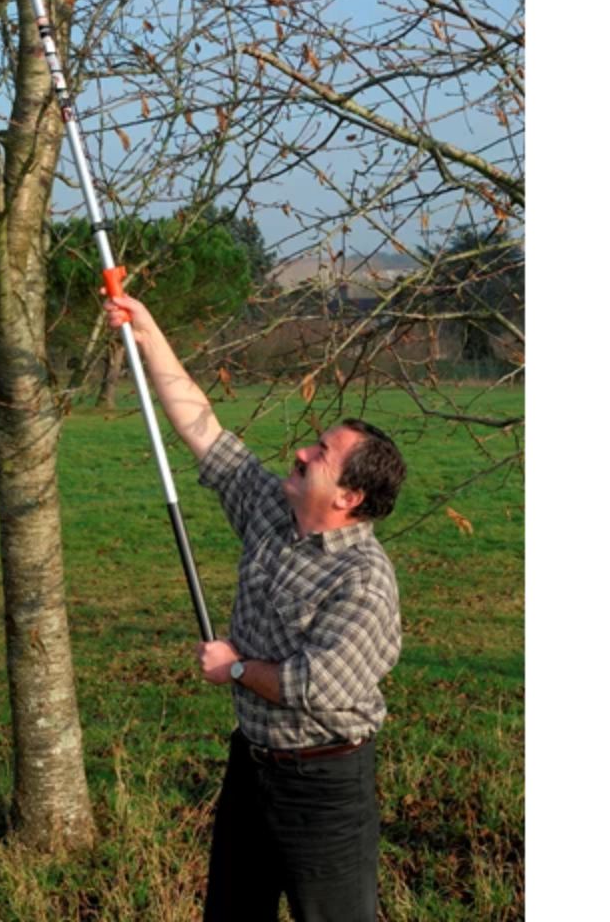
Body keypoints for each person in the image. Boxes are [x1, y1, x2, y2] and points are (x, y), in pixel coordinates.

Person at [104, 291, 407, 922]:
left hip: (324, 785)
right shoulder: (274, 513)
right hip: (253, 766)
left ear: (348, 496)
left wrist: (235, 668)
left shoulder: (363, 579)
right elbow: (203, 428)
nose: (300, 451)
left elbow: (314, 684)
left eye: (319, 455)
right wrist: (147, 328)